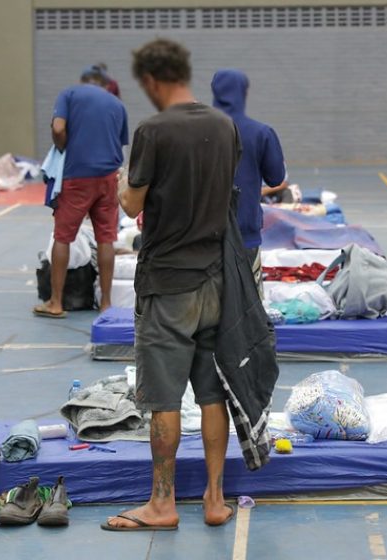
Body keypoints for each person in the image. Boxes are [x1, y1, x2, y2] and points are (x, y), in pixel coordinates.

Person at [103, 38, 241, 532]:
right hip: (217, 282)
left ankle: (162, 503)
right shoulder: (224, 126)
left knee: (164, 398)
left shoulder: (153, 130)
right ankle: (214, 499)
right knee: (212, 394)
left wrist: (123, 183)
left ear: (152, 81)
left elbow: (132, 205)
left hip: (168, 283)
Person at [33, 66, 129, 319]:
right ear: (104, 84)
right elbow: (120, 144)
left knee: (63, 237)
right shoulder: (117, 104)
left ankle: (56, 302)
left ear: (83, 81)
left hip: (77, 176)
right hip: (108, 178)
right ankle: (106, 303)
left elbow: (58, 128)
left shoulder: (69, 95)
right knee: (106, 238)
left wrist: (62, 146)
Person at [211, 69, 285, 294]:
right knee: (247, 306)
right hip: (245, 234)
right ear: (244, 93)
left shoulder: (194, 130)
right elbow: (276, 178)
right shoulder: (261, 132)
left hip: (202, 234)